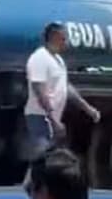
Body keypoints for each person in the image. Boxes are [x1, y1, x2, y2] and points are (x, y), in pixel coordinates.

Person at [23, 22, 101, 171]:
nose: (67, 42)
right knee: (42, 157)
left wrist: (88, 108)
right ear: (54, 37)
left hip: (50, 118)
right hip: (40, 117)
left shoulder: (58, 60)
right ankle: (33, 187)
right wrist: (53, 120)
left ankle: (39, 186)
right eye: (64, 38)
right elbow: (40, 91)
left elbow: (66, 88)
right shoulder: (39, 58)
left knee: (49, 158)